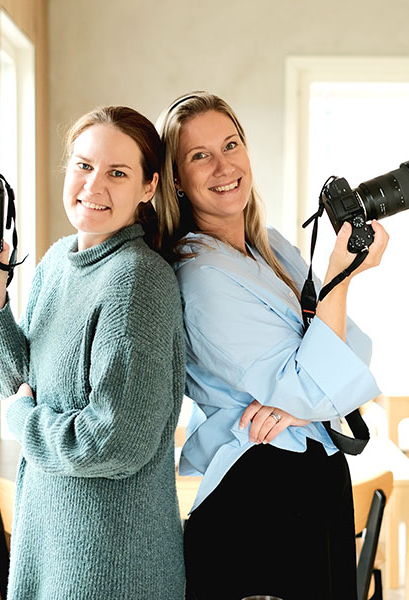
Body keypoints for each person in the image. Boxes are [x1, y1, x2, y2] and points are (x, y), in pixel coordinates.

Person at [155, 92, 389, 600]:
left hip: (312, 478)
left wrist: (302, 400)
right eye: (200, 156)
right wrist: (338, 278)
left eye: (231, 144)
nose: (224, 166)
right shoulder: (200, 276)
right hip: (260, 493)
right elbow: (319, 384)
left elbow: (355, 355)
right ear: (176, 179)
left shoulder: (274, 246)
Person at [0, 106, 186, 599]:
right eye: (83, 165)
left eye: (117, 173)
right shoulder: (59, 261)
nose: (93, 185)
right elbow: (14, 380)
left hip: (111, 564)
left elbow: (111, 442)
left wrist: (21, 419)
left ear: (149, 187)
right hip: (47, 545)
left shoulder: (138, 282)